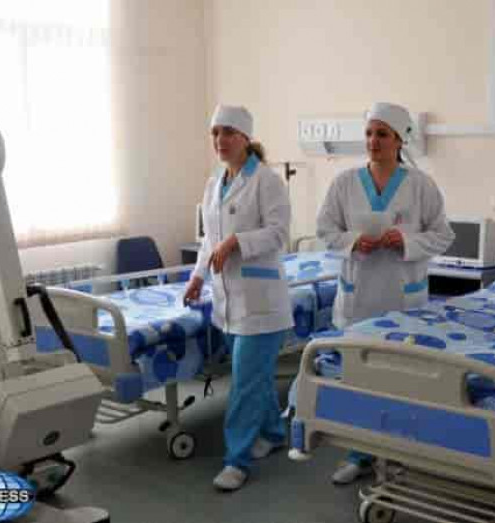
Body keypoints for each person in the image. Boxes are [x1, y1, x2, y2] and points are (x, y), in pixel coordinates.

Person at [316, 102, 455, 484]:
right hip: (357, 295)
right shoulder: (344, 183)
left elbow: (443, 234)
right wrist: (352, 242)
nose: (373, 141)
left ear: (399, 140)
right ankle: (358, 454)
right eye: (369, 133)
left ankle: (398, 454)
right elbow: (325, 230)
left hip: (402, 297)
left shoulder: (421, 185)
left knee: (399, 381)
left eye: (382, 134)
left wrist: (406, 241)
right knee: (357, 381)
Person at [183, 105, 293, 491]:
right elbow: (207, 240)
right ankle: (274, 433)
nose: (220, 140)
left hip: (261, 303)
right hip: (227, 301)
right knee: (255, 378)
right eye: (215, 133)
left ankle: (237, 461)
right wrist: (197, 277)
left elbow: (279, 233)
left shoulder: (267, 181)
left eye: (228, 132)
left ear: (245, 137)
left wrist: (236, 242)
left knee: (244, 384)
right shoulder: (215, 182)